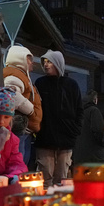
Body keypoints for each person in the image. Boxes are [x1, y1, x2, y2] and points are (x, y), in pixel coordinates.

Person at [32, 49, 81, 184]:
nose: (46, 65)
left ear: (58, 64)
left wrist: (75, 130)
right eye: (45, 62)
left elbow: (79, 109)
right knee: (45, 177)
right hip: (45, 138)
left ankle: (60, 204)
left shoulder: (71, 85)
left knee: (62, 179)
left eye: (50, 62)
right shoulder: (40, 83)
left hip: (66, 139)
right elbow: (35, 108)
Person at [2, 44, 42, 166]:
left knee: (22, 159)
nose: (32, 64)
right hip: (20, 126)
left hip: (24, 128)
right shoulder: (14, 75)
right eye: (29, 60)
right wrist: (31, 110)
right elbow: (12, 95)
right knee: (19, 161)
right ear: (21, 59)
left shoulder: (20, 75)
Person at [72, 90, 104, 166]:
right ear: (95, 100)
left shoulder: (77, 113)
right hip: (95, 156)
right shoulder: (94, 111)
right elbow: (98, 130)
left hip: (79, 157)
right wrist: (103, 142)